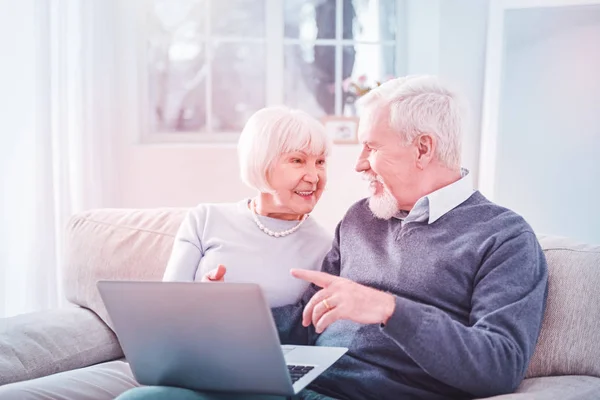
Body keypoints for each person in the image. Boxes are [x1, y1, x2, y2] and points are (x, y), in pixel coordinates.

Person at [116, 75, 549, 400]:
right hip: (302, 386)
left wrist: (388, 309)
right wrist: (221, 319)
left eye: (371, 148)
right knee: (144, 397)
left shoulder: (504, 238)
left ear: (423, 149)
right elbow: (309, 318)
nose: (358, 165)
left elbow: (501, 364)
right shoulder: (362, 218)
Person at [0, 106, 334, 400]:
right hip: (190, 364)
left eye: (320, 162)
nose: (314, 175)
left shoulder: (327, 245)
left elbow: (316, 333)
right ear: (262, 162)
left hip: (263, 381)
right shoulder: (207, 219)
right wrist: (202, 301)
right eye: (297, 160)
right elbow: (166, 312)